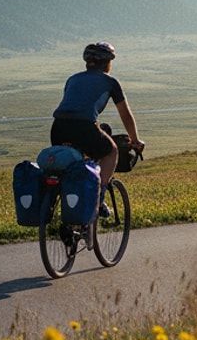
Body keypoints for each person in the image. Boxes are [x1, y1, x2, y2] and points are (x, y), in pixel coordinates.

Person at [50, 42, 144, 214]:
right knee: (111, 151)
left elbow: (75, 107)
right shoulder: (110, 82)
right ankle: (98, 200)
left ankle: (66, 210)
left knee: (71, 166)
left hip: (58, 127)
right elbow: (125, 114)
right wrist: (135, 140)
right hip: (84, 127)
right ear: (108, 62)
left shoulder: (73, 79)